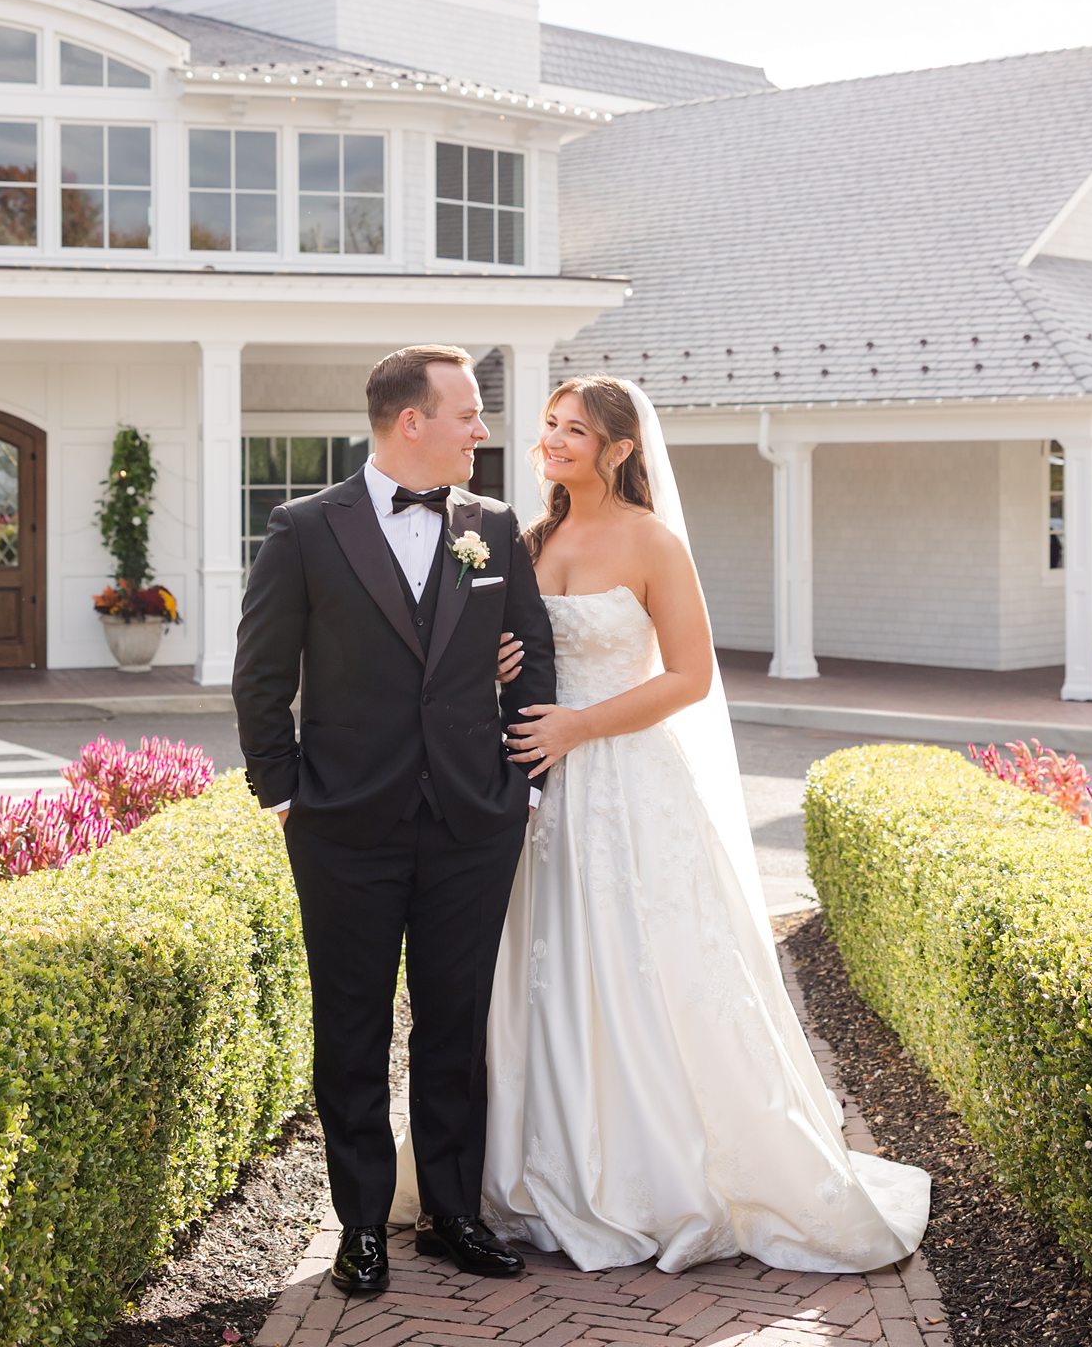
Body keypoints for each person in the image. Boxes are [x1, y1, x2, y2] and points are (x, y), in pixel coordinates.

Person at [485, 374, 930, 1273]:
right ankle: (545, 1175)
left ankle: (670, 1179)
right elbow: (525, 661)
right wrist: (501, 670)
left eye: (575, 430)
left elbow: (688, 677)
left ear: (619, 449)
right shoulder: (529, 540)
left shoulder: (652, 541)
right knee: (549, 967)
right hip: (542, 792)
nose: (555, 441)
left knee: (653, 966)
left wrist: (579, 725)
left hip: (631, 786)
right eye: (550, 426)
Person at [232, 344, 557, 1297]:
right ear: (410, 421)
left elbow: (531, 658)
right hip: (343, 825)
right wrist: (285, 791)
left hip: (473, 820)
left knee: (455, 1026)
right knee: (352, 1024)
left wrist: (523, 785)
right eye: (467, 413)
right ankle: (362, 1227)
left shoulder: (493, 529)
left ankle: (453, 1214)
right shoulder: (303, 528)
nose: (482, 431)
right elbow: (261, 676)